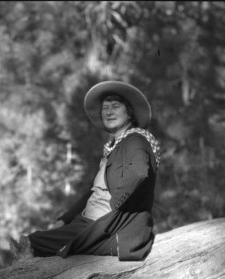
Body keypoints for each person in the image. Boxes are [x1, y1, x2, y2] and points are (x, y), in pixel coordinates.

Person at [9, 80, 161, 262]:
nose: (109, 112)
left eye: (115, 106)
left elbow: (139, 173)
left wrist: (114, 207)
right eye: (105, 108)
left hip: (113, 230)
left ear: (129, 113)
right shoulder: (113, 148)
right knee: (32, 241)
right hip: (90, 224)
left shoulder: (135, 140)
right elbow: (91, 191)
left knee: (34, 243)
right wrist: (64, 220)